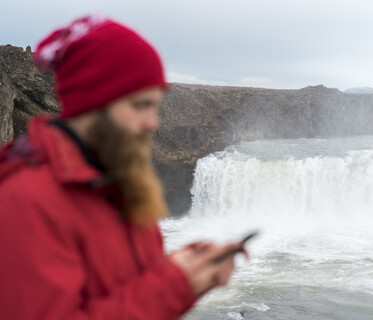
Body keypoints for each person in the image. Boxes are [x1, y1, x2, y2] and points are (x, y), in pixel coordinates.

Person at [0, 14, 244, 320]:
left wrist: (187, 270)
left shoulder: (118, 182)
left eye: (155, 106)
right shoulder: (26, 201)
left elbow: (129, 290)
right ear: (93, 103)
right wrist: (173, 284)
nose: (153, 123)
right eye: (140, 106)